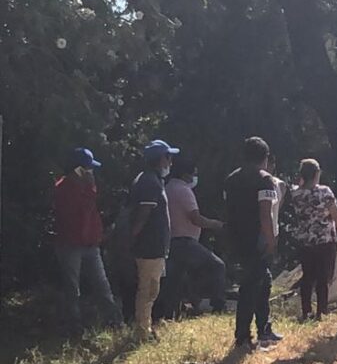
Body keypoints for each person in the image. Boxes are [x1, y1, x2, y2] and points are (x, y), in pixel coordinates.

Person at [51, 147, 120, 334]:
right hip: (70, 245)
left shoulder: (85, 188)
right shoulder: (63, 189)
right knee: (72, 288)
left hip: (90, 245)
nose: (91, 173)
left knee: (102, 285)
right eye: (88, 169)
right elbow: (80, 213)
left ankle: (114, 321)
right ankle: (73, 326)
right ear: (78, 170)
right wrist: (90, 189)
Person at [224, 136, 282, 349]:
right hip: (256, 239)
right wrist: (270, 240)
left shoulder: (231, 179)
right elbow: (265, 213)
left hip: (236, 238)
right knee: (250, 287)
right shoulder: (264, 179)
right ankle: (243, 336)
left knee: (263, 282)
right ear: (265, 158)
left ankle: (264, 328)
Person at [159, 157, 226, 317]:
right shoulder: (184, 190)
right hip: (185, 241)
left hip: (171, 240)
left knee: (175, 279)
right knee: (217, 266)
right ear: (186, 174)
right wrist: (216, 224)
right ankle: (217, 305)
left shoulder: (167, 188)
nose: (195, 177)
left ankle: (174, 311)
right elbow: (196, 218)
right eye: (194, 174)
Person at [128, 140, 179, 337]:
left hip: (154, 247)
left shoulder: (153, 180)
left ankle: (145, 326)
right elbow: (143, 214)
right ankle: (142, 330)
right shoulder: (150, 182)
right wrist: (134, 237)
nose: (171, 162)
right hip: (149, 247)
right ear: (160, 159)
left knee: (151, 288)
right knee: (148, 289)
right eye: (169, 157)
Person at [287, 158, 337, 320]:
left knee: (307, 276)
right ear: (317, 174)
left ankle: (306, 310)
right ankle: (322, 311)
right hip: (325, 240)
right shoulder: (324, 192)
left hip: (305, 240)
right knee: (323, 277)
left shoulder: (295, 193)